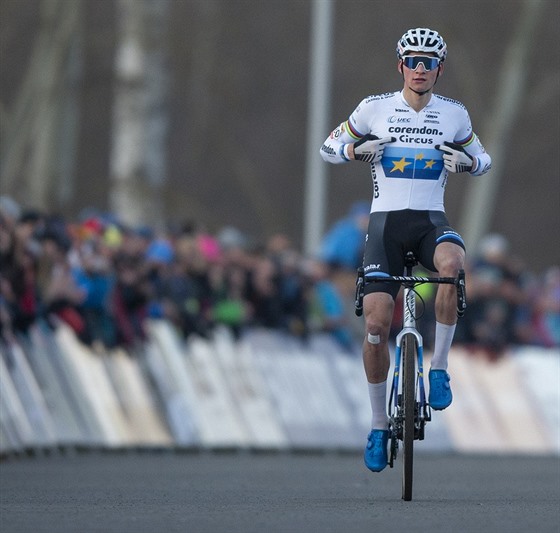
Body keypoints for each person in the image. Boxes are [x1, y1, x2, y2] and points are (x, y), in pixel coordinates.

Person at [320, 28, 492, 473]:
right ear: (400, 65)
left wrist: (468, 162)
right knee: (376, 326)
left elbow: (484, 160)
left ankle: (438, 368)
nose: (420, 69)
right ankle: (379, 424)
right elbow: (328, 147)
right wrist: (355, 148)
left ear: (439, 69)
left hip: (431, 223)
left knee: (453, 265)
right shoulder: (373, 108)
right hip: (385, 227)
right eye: (413, 61)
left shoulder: (454, 114)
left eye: (429, 62)